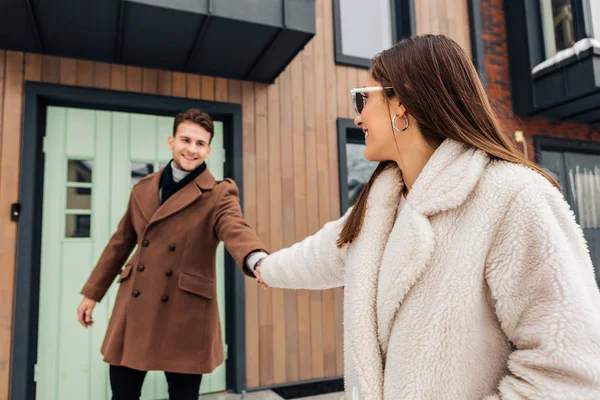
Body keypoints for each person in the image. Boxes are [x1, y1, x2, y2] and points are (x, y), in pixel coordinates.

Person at [253, 35, 600, 399]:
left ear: (401, 103)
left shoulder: (514, 197)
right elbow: (321, 253)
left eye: (363, 98)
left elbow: (570, 372)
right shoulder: (378, 209)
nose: (357, 116)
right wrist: (265, 267)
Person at [77, 108, 267, 400]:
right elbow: (120, 243)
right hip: (136, 305)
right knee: (122, 394)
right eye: (185, 140)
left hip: (185, 311)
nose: (192, 149)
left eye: (200, 143)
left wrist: (256, 258)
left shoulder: (218, 194)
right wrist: (92, 293)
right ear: (171, 141)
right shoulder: (142, 189)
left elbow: (234, 227)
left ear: (208, 149)